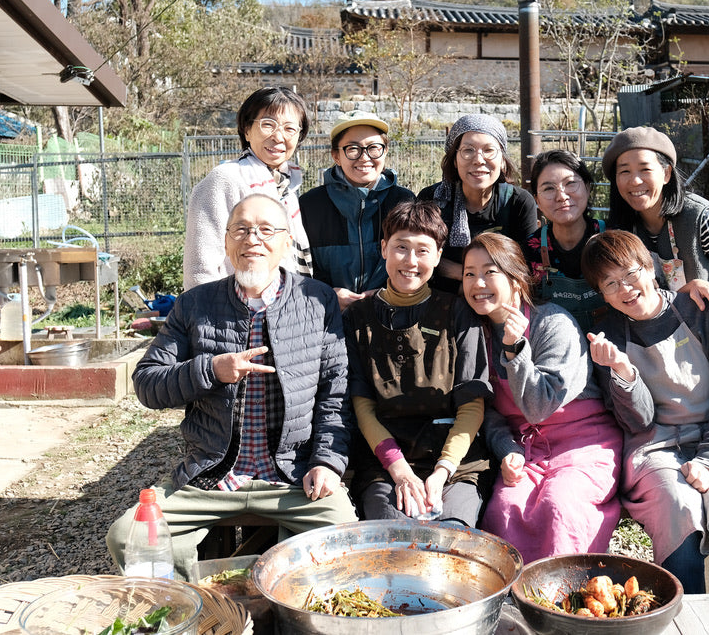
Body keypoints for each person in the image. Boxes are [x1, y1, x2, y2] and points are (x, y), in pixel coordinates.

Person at [107, 194, 357, 581]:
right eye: (240, 229)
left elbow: (335, 392)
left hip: (293, 475)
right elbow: (147, 383)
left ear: (286, 243)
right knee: (128, 537)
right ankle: (190, 609)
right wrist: (209, 369)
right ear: (226, 243)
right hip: (210, 475)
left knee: (345, 544)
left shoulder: (317, 300)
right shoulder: (194, 305)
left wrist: (326, 461)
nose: (252, 239)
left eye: (265, 230)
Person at [582, 229, 709, 595]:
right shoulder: (606, 336)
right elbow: (639, 422)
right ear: (602, 294)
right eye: (611, 283)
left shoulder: (703, 312)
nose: (626, 289)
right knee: (678, 512)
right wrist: (624, 373)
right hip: (656, 448)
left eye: (631, 273)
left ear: (651, 268)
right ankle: (687, 620)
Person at [463, 232, 623, 564]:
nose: (478, 282)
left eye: (489, 272)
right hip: (526, 448)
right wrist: (507, 449)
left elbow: (538, 407)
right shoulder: (475, 333)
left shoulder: (553, 323)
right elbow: (487, 412)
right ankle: (510, 604)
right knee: (504, 508)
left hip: (584, 444)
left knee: (559, 504)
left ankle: (564, 599)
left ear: (516, 278)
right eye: (469, 273)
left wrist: (515, 350)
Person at [343, 200, 492, 527]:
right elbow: (362, 405)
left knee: (453, 538)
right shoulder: (358, 318)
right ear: (383, 248)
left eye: (423, 250)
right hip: (385, 464)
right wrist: (399, 472)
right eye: (401, 247)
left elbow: (471, 404)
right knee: (394, 540)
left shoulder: (458, 313)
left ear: (439, 256)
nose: (410, 261)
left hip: (454, 463)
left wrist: (441, 473)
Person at [602, 126, 709, 383]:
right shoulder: (624, 230)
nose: (634, 181)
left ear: (666, 173)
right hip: (676, 364)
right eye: (624, 171)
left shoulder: (702, 219)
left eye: (645, 169)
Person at [183, 87, 313, 291]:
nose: (279, 137)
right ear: (247, 129)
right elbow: (200, 267)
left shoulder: (286, 187)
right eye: (268, 125)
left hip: (281, 309)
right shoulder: (226, 179)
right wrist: (206, 316)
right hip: (234, 314)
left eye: (290, 129)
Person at [299, 110, 415, 311]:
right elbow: (298, 270)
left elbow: (416, 261)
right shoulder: (310, 205)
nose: (364, 157)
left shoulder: (404, 201)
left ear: (385, 151)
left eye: (374, 148)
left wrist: (387, 293)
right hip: (327, 317)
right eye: (353, 149)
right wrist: (327, 293)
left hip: (390, 316)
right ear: (336, 155)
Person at [418, 114, 537, 293]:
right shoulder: (433, 198)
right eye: (468, 150)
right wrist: (471, 277)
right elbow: (419, 257)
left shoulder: (518, 203)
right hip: (441, 301)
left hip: (498, 301)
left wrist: (459, 272)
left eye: (489, 150)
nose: (478, 160)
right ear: (455, 161)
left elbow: (524, 267)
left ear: (503, 160)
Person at [522, 149, 608, 331]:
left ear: (587, 187)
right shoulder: (528, 250)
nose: (561, 196)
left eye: (570, 184)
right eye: (548, 188)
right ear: (537, 199)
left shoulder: (613, 238)